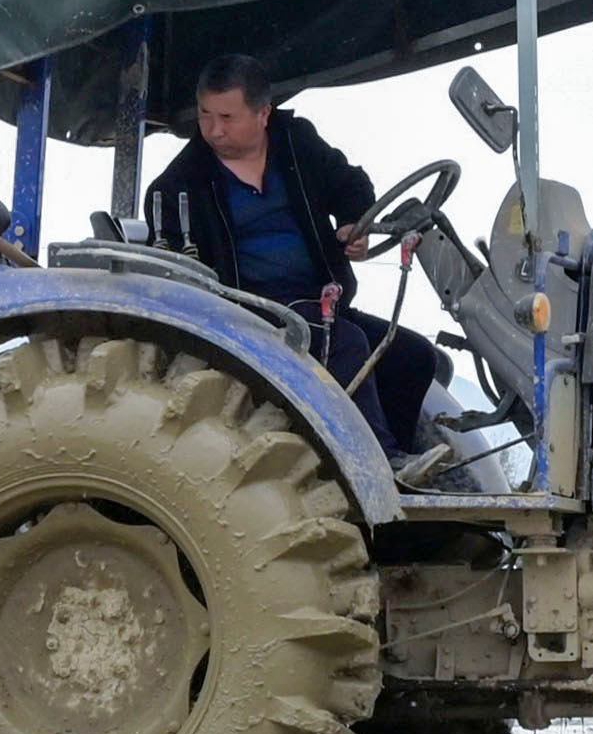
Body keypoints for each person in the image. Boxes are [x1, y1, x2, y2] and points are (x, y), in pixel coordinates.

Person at [138, 51, 447, 461]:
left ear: (264, 113)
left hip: (321, 302)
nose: (213, 130)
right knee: (346, 343)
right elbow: (182, 280)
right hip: (249, 316)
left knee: (413, 356)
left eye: (227, 118)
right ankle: (380, 465)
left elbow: (351, 183)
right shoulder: (176, 188)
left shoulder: (297, 142)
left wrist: (356, 223)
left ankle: (405, 471)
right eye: (205, 115)